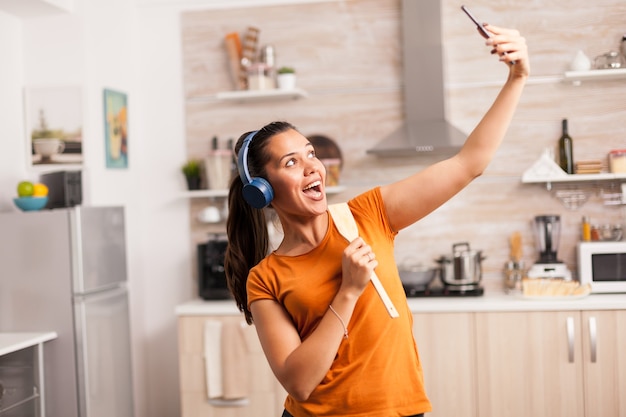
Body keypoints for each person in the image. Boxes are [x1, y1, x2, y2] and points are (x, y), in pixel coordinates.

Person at [225, 24, 529, 417]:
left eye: (310, 153)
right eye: (291, 162)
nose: (312, 167)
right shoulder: (265, 277)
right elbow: (299, 383)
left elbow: (468, 163)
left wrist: (518, 76)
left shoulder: (368, 214)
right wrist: (348, 290)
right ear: (262, 190)